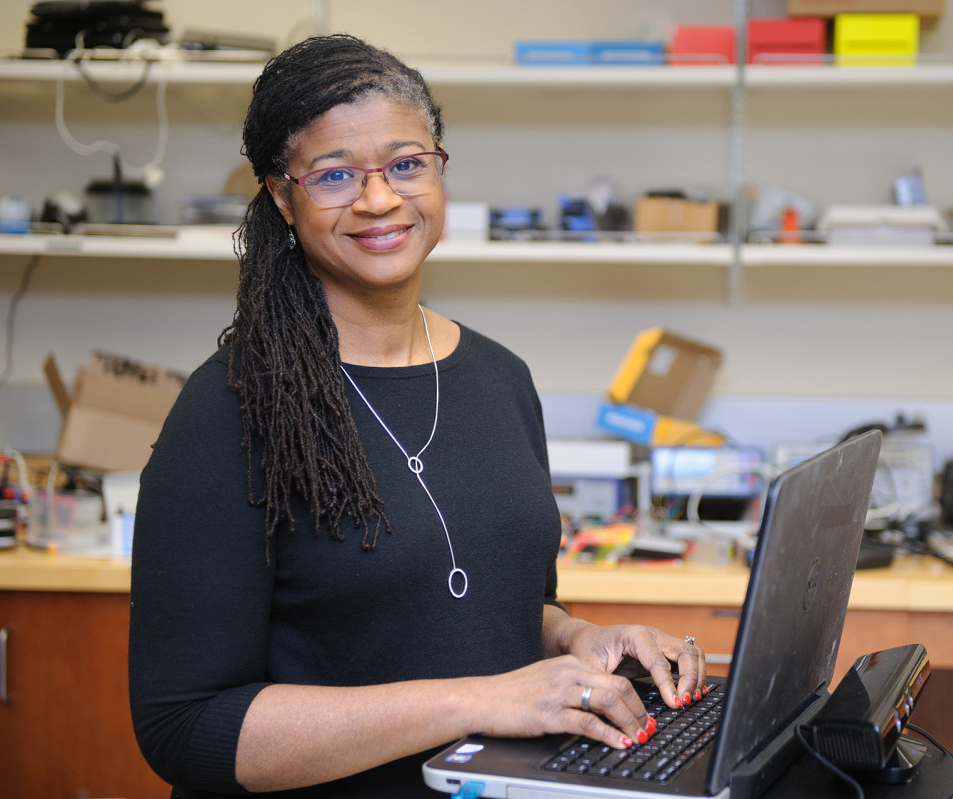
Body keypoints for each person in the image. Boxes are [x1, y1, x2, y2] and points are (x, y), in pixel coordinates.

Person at [128, 34, 707, 799]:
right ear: (281, 195)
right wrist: (477, 700)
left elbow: (491, 603)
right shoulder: (230, 409)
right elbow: (186, 725)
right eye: (335, 174)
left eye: (406, 163)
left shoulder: (501, 376)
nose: (379, 198)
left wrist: (578, 636)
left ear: (439, 169)